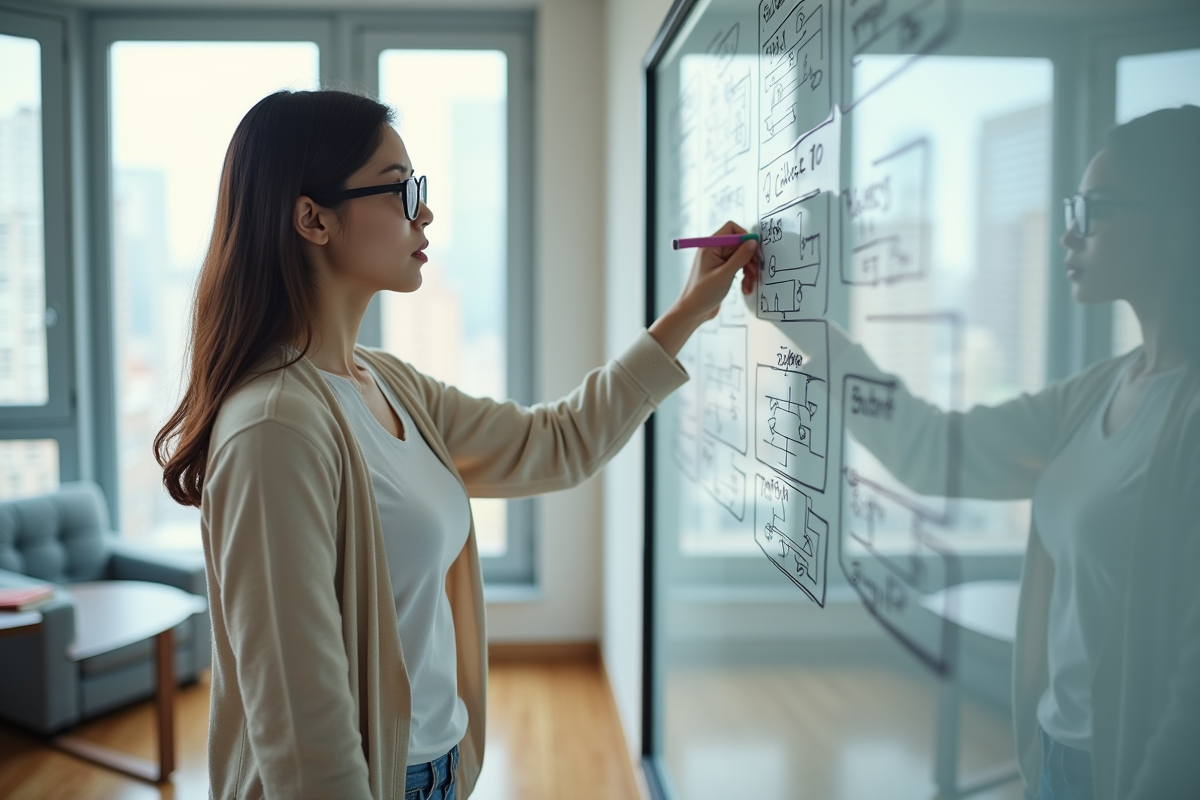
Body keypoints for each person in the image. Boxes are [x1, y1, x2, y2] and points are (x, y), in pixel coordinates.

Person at [154, 89, 760, 799]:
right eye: (401, 189)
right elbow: (301, 729)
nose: (425, 211)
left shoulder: (384, 380)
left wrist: (689, 312)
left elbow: (557, 443)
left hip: (436, 770)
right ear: (313, 219)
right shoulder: (273, 429)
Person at [748, 105, 1200, 799]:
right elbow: (934, 449)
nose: (1067, 233)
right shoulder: (1098, 391)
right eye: (1070, 208)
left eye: (1094, 210)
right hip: (1059, 752)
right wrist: (806, 329)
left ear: (1180, 224)